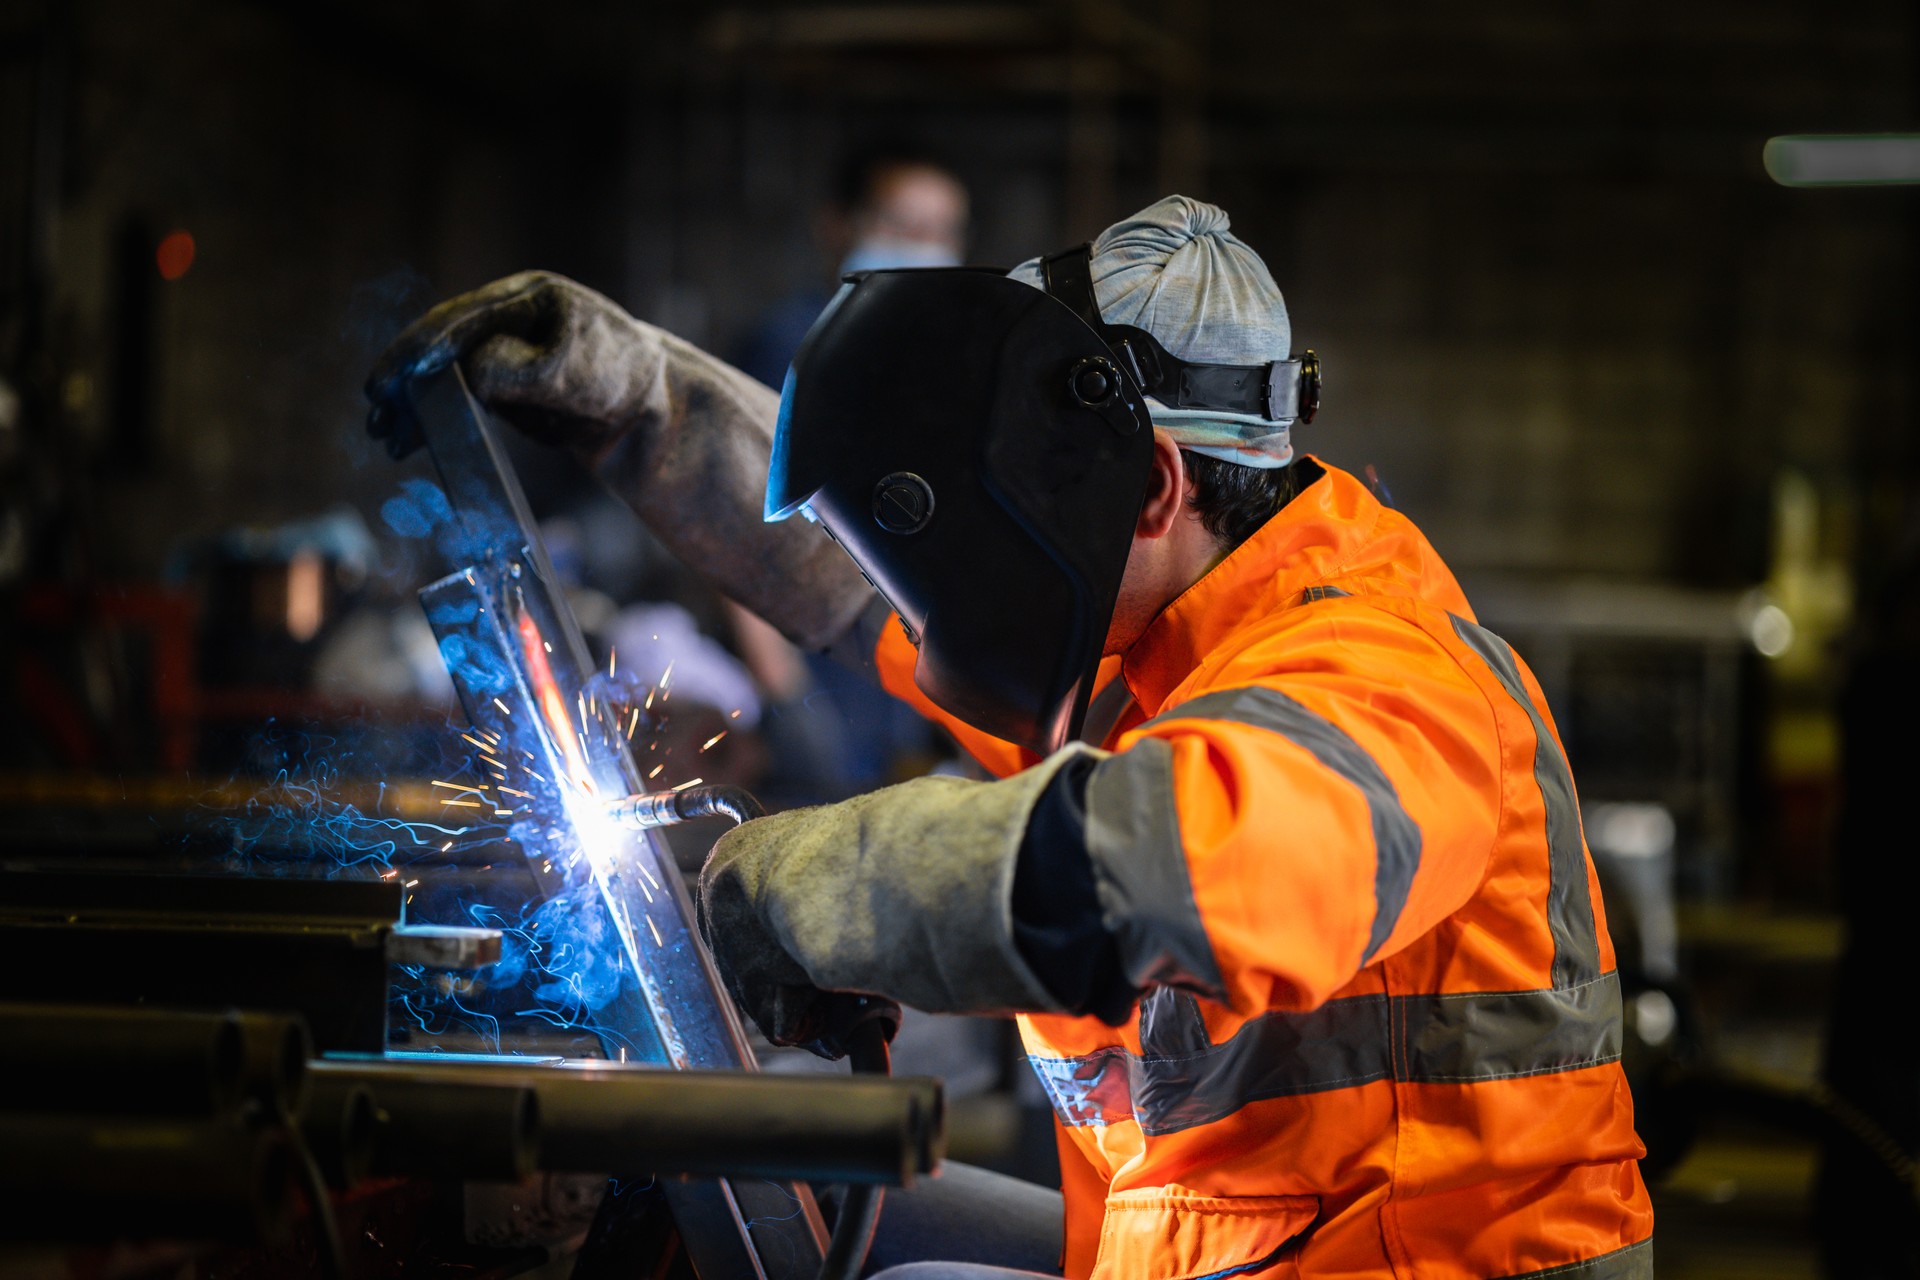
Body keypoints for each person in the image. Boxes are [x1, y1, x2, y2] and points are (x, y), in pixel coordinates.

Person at [368, 196, 1653, 1280]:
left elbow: (1161, 866)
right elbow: (874, 584)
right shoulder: (1147, 648)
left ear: (1147, 484)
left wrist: (801, 885)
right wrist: (641, 405)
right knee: (829, 1219)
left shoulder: (1388, 674)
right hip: (1238, 1242)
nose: (980, 563)